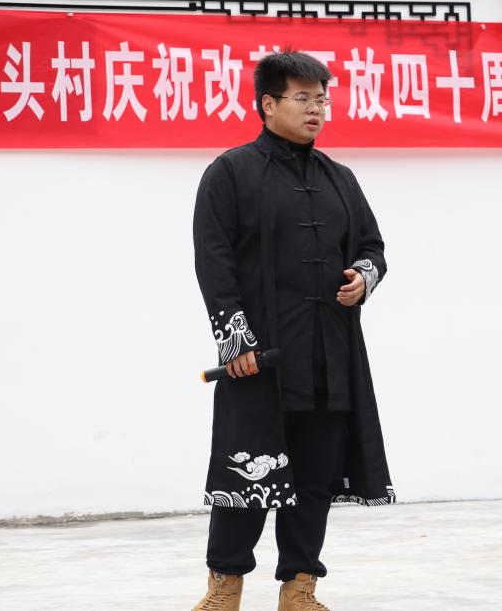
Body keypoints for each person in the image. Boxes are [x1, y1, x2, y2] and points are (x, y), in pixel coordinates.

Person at [191, 51, 394, 611]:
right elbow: (214, 259)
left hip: (330, 356)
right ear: (268, 104)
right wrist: (235, 339)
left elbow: (373, 247)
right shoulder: (230, 172)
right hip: (260, 358)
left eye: (321, 98)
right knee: (246, 474)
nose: (315, 109)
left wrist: (364, 276)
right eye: (302, 98)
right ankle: (223, 589)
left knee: (314, 479)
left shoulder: (341, 179)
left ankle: (300, 589)